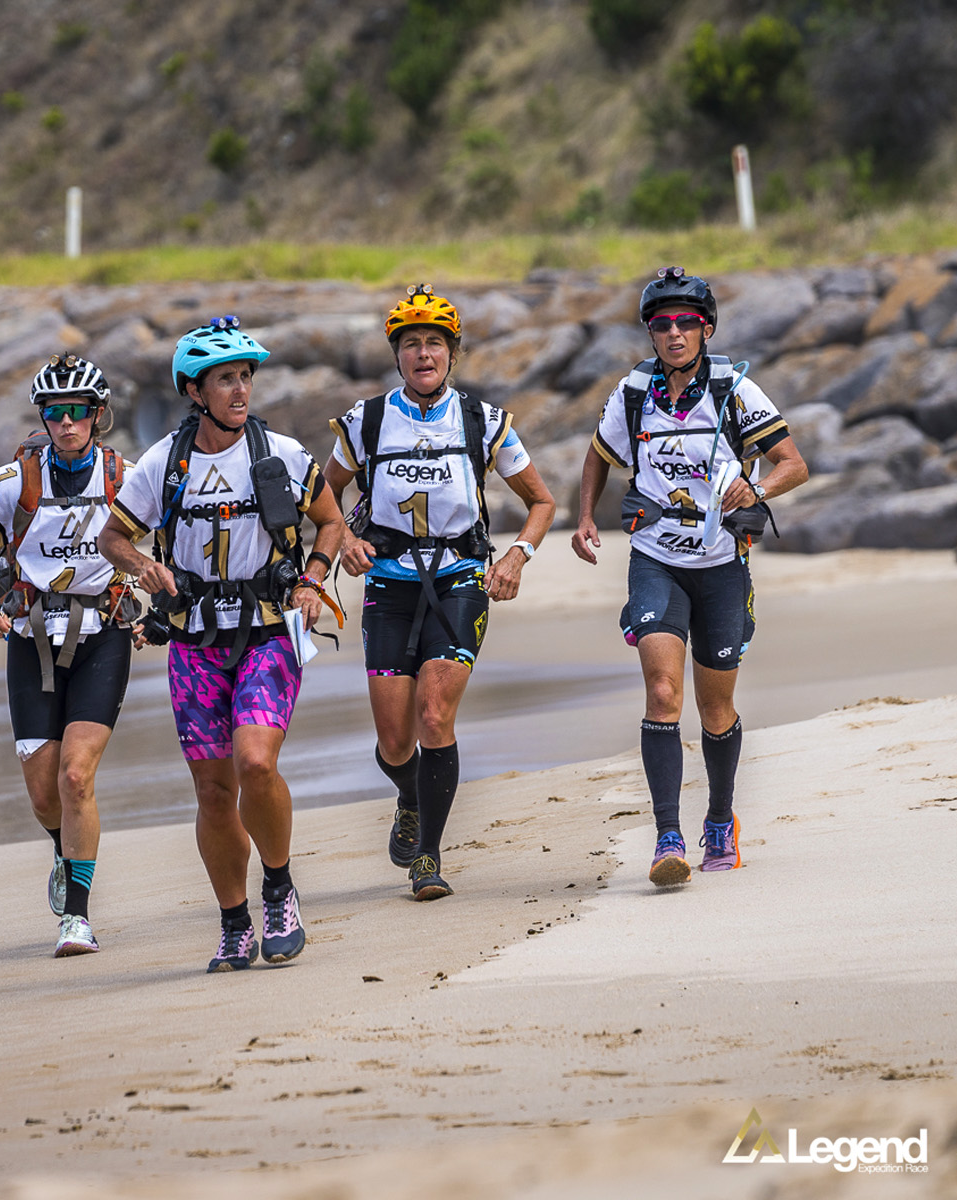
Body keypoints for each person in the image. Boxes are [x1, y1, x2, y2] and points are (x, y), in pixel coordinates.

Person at [97, 317, 347, 973]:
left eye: (244, 378)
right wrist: (141, 568)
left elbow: (330, 521)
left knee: (255, 763)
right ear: (195, 391)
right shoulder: (162, 464)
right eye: (224, 380)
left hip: (268, 630)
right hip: (194, 642)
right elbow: (112, 538)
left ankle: (279, 888)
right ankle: (234, 923)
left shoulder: (282, 455)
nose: (239, 391)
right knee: (213, 792)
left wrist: (315, 580)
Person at [570, 266, 808, 887]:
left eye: (685, 322)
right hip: (655, 560)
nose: (673, 333)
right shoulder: (632, 394)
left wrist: (753, 484)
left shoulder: (735, 391)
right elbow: (599, 455)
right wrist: (586, 517)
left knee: (715, 708)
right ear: (650, 333)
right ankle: (667, 836)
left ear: (705, 328)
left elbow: (793, 463)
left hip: (722, 567)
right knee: (662, 694)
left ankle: (721, 818)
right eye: (660, 324)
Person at [321, 285, 556, 900]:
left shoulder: (484, 421)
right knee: (394, 741)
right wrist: (343, 538)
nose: (423, 354)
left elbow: (542, 501)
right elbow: (321, 499)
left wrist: (517, 555)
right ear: (397, 355)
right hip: (388, 586)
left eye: (435, 344)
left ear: (453, 354)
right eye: (411, 344)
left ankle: (428, 858)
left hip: (460, 582)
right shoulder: (365, 421)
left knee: (433, 717)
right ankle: (410, 798)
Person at [0, 353, 137, 957]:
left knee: (76, 774)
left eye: (78, 412)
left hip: (101, 633)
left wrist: (157, 598)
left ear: (98, 415)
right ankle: (64, 850)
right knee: (42, 792)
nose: (67, 423)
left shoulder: (127, 480)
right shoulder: (12, 485)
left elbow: (170, 537)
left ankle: (76, 918)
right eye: (55, 413)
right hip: (29, 639)